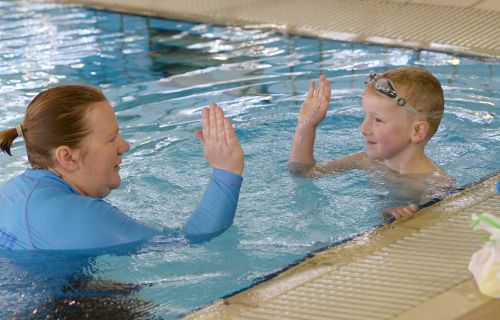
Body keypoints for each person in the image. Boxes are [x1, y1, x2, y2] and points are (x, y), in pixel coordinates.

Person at [0, 85, 244, 250]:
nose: (124, 146)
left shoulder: (11, 193)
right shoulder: (82, 216)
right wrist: (226, 170)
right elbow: (190, 242)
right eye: (111, 139)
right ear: (68, 157)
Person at [289, 67, 452, 221]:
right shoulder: (365, 161)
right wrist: (306, 126)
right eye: (365, 116)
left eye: (378, 120)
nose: (363, 128)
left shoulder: (436, 184)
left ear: (417, 131)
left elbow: (434, 227)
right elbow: (304, 174)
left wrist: (404, 221)